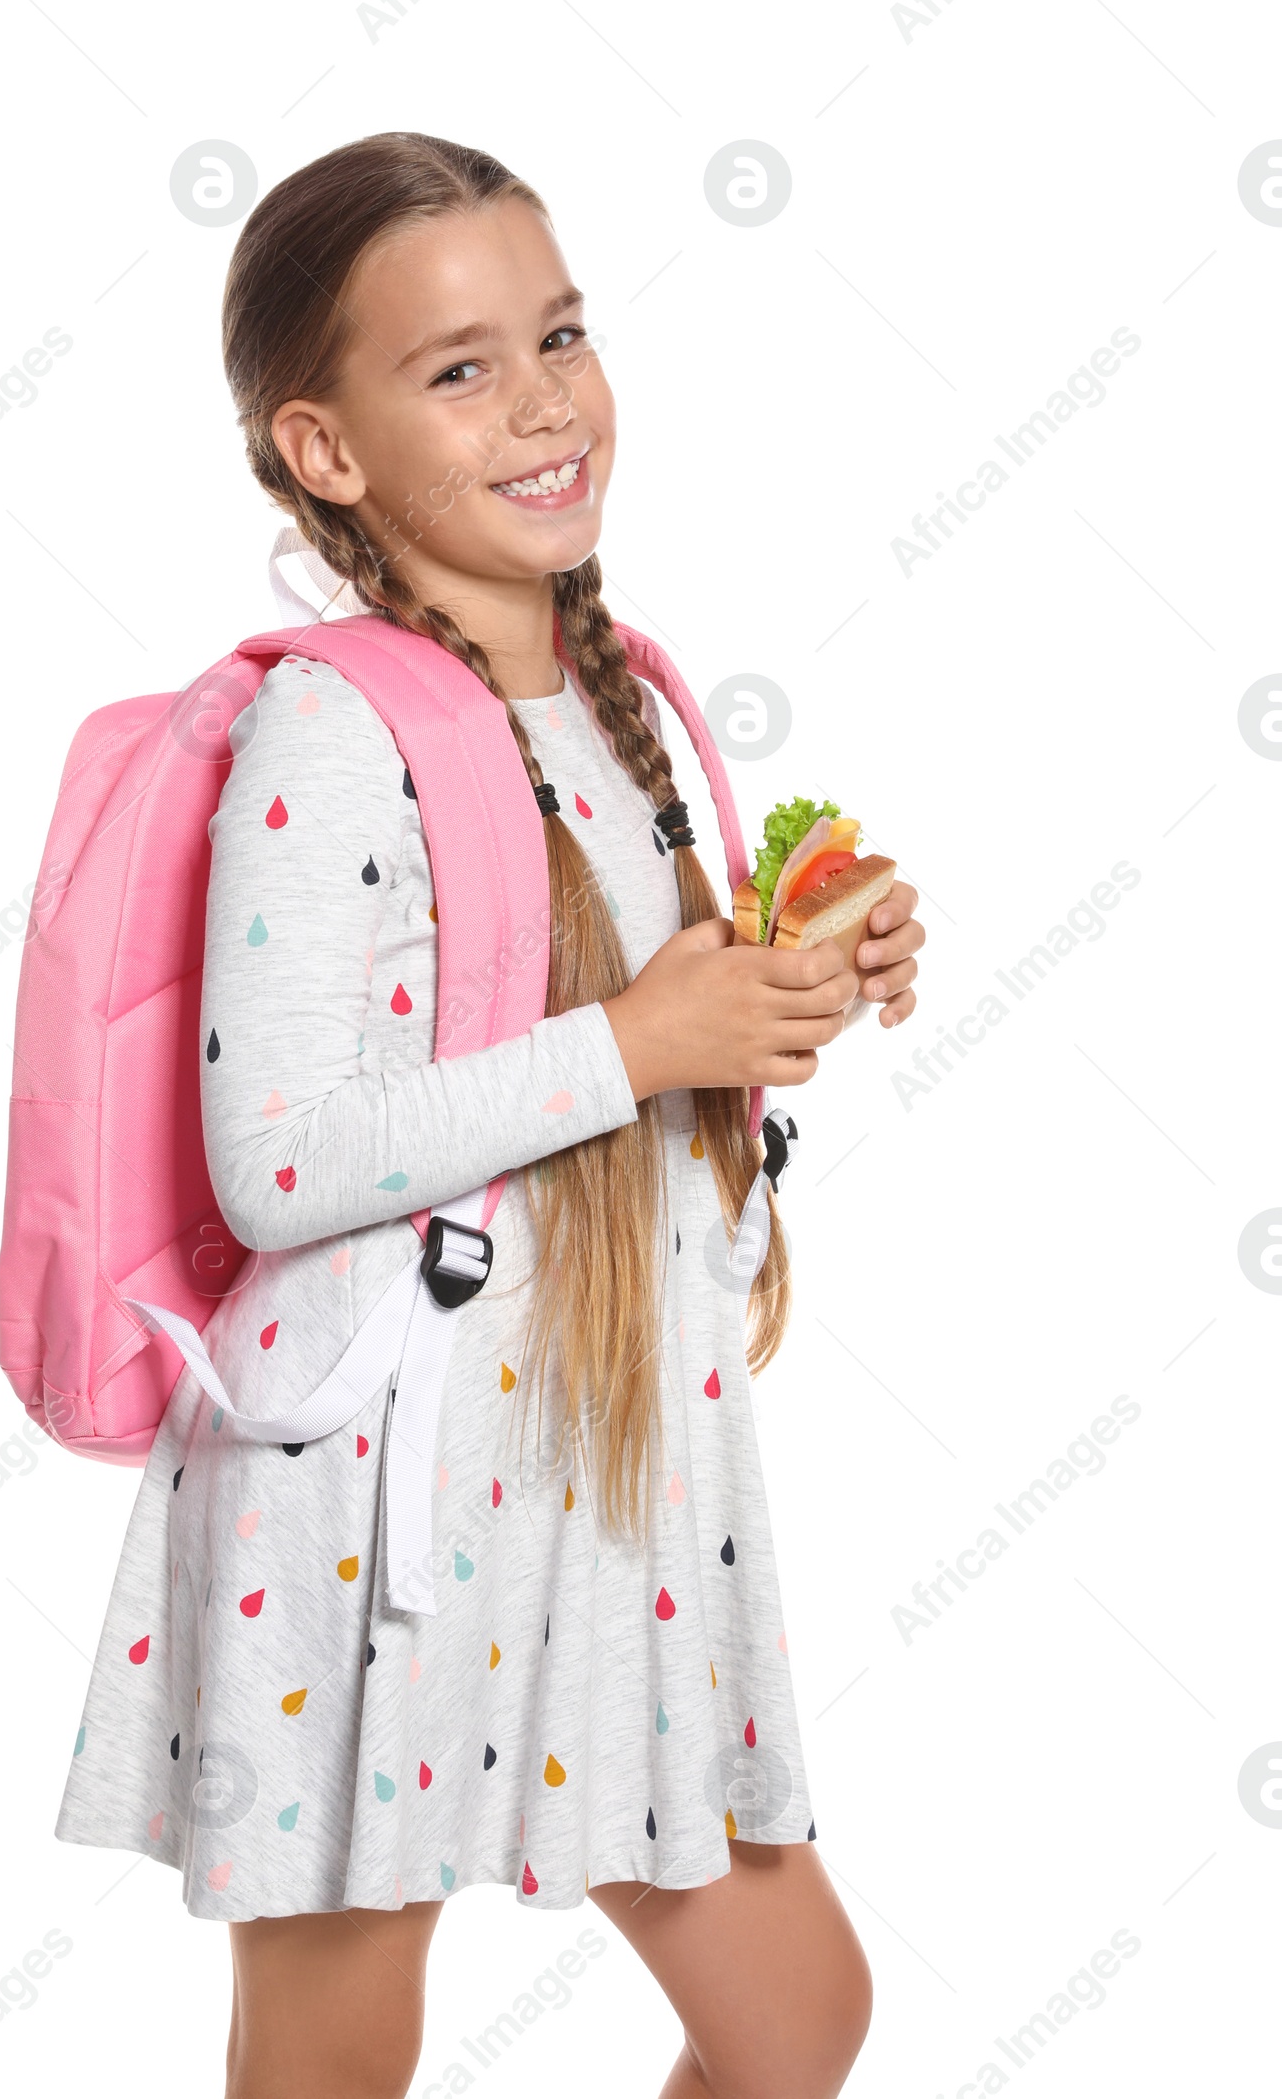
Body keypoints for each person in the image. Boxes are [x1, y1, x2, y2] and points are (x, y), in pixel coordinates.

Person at [55, 132, 925, 2099]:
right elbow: (273, 1157)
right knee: (336, 2054)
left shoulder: (621, 691)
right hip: (369, 1492)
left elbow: (625, 1034)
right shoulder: (328, 724)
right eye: (455, 368)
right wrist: (637, 1038)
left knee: (794, 2019)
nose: (541, 402)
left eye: (557, 333)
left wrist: (795, 977)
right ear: (323, 450)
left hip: (606, 1469)